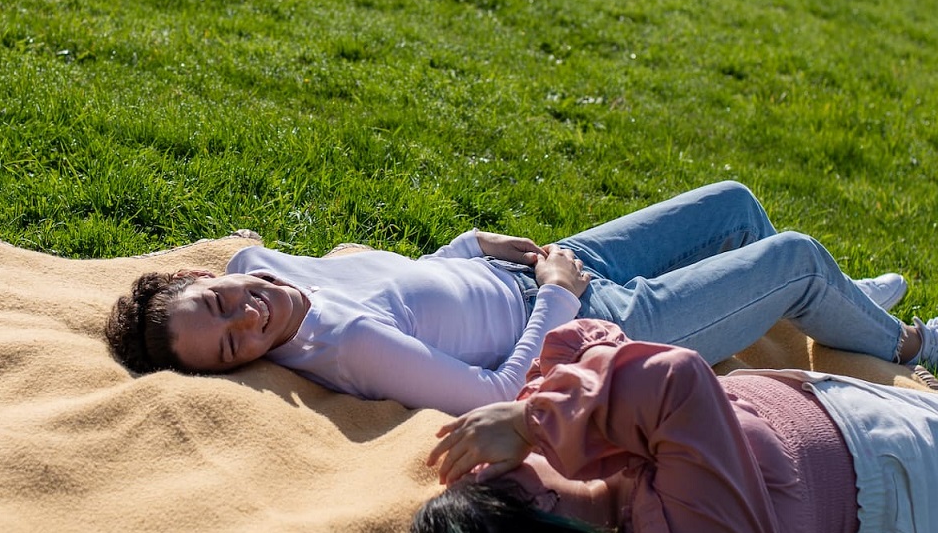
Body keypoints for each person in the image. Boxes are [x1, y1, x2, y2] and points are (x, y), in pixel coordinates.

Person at [105, 181, 935, 415]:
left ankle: (844, 303)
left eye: (218, 304)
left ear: (201, 276)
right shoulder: (347, 348)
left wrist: (469, 248)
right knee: (790, 257)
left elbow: (403, 282)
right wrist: (557, 296)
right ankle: (907, 345)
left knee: (733, 204)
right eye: (230, 347)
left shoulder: (261, 257)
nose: (246, 318)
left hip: (548, 269)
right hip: (594, 317)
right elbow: (500, 391)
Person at [413, 319, 938, 533]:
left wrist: (543, 411)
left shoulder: (604, 479)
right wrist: (533, 422)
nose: (496, 457)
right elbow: (674, 378)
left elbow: (587, 341)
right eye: (490, 473)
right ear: (541, 502)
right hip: (909, 478)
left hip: (853, 418)